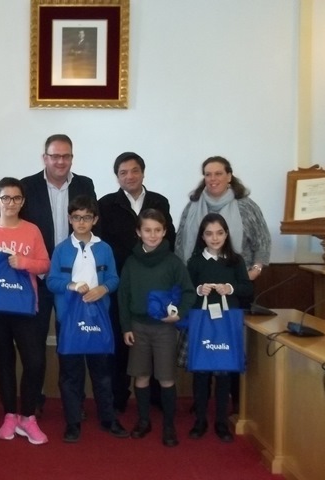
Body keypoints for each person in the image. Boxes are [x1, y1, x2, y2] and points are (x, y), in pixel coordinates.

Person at [175, 155, 271, 413]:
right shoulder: (193, 206)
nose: (213, 178)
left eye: (218, 173)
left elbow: (262, 241)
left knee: (229, 348)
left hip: (235, 289)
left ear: (229, 176)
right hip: (200, 293)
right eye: (208, 174)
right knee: (203, 347)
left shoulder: (246, 206)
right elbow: (180, 242)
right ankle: (201, 405)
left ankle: (233, 405)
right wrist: (188, 283)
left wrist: (253, 272)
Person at [20, 134, 96, 414]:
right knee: (34, 347)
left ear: (72, 158)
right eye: (55, 156)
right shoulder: (27, 186)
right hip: (38, 280)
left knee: (71, 344)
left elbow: (92, 228)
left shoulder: (85, 184)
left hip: (74, 283)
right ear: (45, 158)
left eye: (66, 156)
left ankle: (73, 403)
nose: (60, 161)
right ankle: (35, 400)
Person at [0, 177, 51, 444]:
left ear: (22, 202)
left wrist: (24, 262)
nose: (11, 203)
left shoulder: (32, 230)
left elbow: (45, 265)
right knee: (5, 363)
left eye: (16, 198)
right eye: (5, 198)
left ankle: (28, 418)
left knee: (34, 362)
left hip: (26, 309)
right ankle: (9, 416)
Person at [98, 152, 176, 413]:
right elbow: (102, 245)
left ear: (143, 172)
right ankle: (118, 396)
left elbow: (170, 239)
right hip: (119, 282)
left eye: (134, 171)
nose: (129, 176)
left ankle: (156, 395)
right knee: (120, 341)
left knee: (154, 338)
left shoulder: (159, 201)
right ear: (117, 177)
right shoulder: (106, 204)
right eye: (123, 172)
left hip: (156, 283)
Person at [47, 195, 128, 443]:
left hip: (98, 319)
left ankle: (108, 418)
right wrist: (70, 285)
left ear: (95, 219)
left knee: (102, 373)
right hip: (68, 320)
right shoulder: (61, 249)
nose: (81, 222)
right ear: (69, 219)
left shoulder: (104, 248)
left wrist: (103, 289)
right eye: (77, 217)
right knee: (70, 374)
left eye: (87, 217)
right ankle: (73, 422)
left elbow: (114, 279)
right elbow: (51, 281)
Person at [119, 209, 195, 447]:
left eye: (157, 230)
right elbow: (123, 296)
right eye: (147, 230)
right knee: (141, 375)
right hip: (138, 327)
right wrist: (126, 326)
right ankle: (144, 421)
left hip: (164, 329)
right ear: (138, 232)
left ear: (164, 232)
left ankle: (169, 425)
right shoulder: (131, 262)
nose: (152, 235)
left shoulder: (173, 262)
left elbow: (189, 292)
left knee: (166, 378)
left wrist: (179, 313)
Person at [179, 213, 254, 443]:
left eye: (219, 233)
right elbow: (186, 291)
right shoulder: (195, 261)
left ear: (226, 234)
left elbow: (247, 289)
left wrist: (230, 289)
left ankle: (221, 422)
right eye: (209, 233)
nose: (215, 238)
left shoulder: (236, 261)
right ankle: (200, 420)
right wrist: (198, 290)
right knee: (201, 373)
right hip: (202, 323)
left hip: (226, 324)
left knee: (223, 374)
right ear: (202, 236)